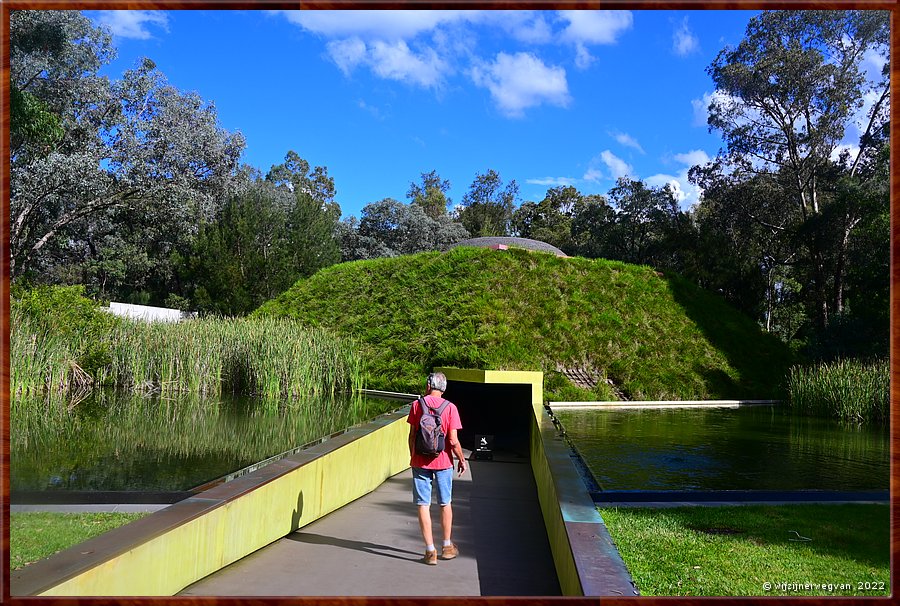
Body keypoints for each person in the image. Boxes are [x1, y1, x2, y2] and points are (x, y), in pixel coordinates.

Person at [407, 371, 466, 565]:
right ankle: (447, 547)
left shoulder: (417, 405)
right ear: (444, 388)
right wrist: (461, 458)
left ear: (427, 385)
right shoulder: (451, 408)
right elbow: (453, 440)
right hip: (443, 463)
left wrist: (412, 455)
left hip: (420, 461)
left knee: (423, 504)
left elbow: (412, 435)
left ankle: (430, 551)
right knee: (445, 502)